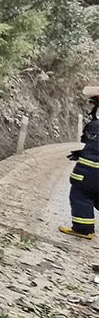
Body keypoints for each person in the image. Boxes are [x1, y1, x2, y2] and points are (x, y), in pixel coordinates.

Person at [62, 85, 99, 240]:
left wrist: (81, 169)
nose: (89, 107)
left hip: (91, 174)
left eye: (92, 103)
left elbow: (94, 152)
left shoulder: (96, 126)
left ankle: (83, 229)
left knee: (81, 192)